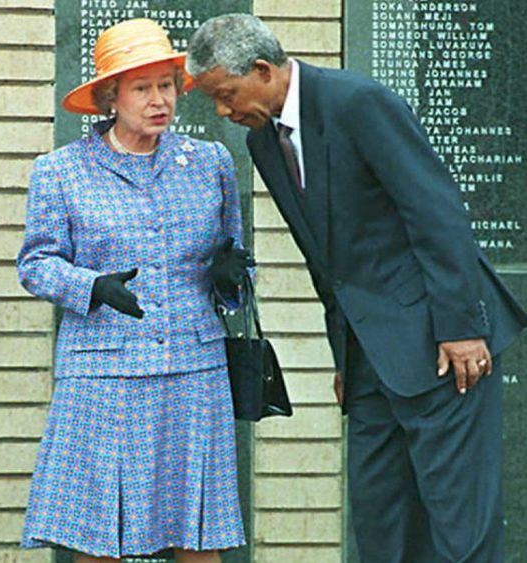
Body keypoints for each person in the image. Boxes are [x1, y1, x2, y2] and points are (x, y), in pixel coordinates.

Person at [186, 13, 527, 563]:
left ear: (263, 70)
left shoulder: (358, 103)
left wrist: (464, 327)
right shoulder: (264, 146)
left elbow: (436, 213)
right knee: (379, 526)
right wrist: (343, 355)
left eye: (226, 95)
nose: (223, 112)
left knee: (461, 528)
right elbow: (327, 260)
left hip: (442, 346)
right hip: (368, 360)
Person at [16, 18, 251, 563]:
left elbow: (236, 257)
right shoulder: (62, 171)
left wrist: (231, 277)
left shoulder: (208, 162)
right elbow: (36, 263)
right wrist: (90, 285)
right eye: (141, 88)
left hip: (194, 369)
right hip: (104, 376)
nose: (158, 100)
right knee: (101, 534)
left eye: (165, 85)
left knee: (198, 532)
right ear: (109, 97)